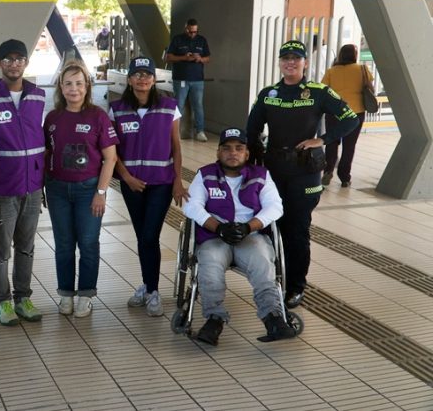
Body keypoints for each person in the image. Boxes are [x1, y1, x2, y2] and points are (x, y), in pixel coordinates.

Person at [247, 40, 359, 309]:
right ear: (279, 62)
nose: (290, 62)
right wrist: (251, 162)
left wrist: (322, 139)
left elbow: (351, 119)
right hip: (274, 171)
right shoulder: (268, 93)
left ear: (305, 63)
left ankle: (295, 287)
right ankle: (273, 281)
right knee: (271, 228)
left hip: (305, 173)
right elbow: (251, 130)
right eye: (285, 58)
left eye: (296, 58)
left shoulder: (319, 92)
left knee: (296, 230)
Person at [184, 128, 296, 346]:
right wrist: (218, 227)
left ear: (247, 153)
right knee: (210, 266)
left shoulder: (261, 175)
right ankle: (214, 320)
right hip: (215, 237)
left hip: (251, 236)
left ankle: (273, 318)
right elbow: (192, 206)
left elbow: (275, 207)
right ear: (218, 152)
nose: (232, 153)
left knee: (263, 263)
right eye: (226, 148)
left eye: (239, 148)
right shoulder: (205, 175)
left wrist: (247, 227)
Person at [109, 56, 188, 317]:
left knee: (149, 236)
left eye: (147, 74)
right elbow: (112, 151)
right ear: (129, 79)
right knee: (142, 236)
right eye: (137, 74)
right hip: (132, 184)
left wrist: (177, 180)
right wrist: (126, 177)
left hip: (161, 183)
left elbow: (176, 147)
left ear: (154, 79)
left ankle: (153, 291)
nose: (142, 79)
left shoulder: (169, 107)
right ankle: (147, 285)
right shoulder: (117, 109)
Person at [0, 39, 46, 326]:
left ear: (26, 62)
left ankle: (23, 298)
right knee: (1, 251)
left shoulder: (39, 96)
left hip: (33, 187)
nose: (14, 64)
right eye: (8, 59)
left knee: (26, 247)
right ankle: (1, 302)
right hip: (3, 189)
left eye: (19, 59)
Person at [44, 60, 118, 317]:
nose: (73, 89)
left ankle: (86, 294)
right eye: (68, 84)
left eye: (78, 83)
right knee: (64, 244)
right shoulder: (52, 118)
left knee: (88, 243)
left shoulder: (98, 116)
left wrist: (101, 193)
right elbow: (46, 153)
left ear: (87, 86)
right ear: (61, 88)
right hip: (57, 190)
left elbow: (111, 158)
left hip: (88, 190)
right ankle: (66, 294)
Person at [320, 44, 372, 188]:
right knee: (349, 145)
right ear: (354, 55)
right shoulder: (362, 69)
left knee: (331, 141)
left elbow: (324, 88)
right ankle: (344, 177)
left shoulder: (331, 71)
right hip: (356, 111)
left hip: (334, 111)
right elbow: (369, 85)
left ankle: (328, 171)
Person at [165, 18, 211, 141]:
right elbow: (169, 57)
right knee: (178, 106)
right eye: (190, 32)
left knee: (198, 106)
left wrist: (200, 59)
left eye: (195, 32)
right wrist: (184, 57)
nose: (192, 34)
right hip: (181, 79)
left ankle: (200, 131)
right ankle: (174, 132)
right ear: (185, 29)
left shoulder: (202, 40)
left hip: (197, 79)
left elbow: (208, 58)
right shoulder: (177, 39)